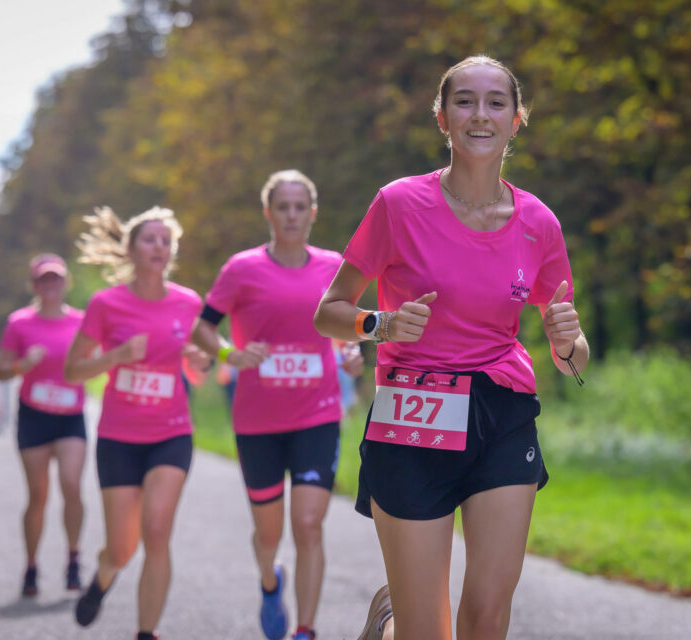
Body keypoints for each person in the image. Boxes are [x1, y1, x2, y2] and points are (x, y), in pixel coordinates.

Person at [314, 55, 589, 640]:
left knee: (488, 615)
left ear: (517, 119)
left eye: (496, 102)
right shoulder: (398, 204)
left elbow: (572, 352)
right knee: (426, 632)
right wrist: (381, 325)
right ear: (443, 118)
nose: (480, 114)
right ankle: (392, 623)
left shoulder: (538, 221)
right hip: (415, 413)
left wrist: (569, 342)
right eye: (464, 101)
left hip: (502, 412)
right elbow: (329, 312)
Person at [192, 170, 364, 640]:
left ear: (312, 214)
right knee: (268, 535)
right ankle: (271, 583)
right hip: (258, 422)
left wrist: (353, 353)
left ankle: (306, 629)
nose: (291, 215)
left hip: (317, 415)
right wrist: (230, 354)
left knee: (308, 524)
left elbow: (353, 326)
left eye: (299, 207)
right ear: (268, 213)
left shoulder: (334, 267)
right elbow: (202, 328)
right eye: (282, 207)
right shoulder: (241, 269)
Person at [65, 206, 209, 640]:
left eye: (166, 241)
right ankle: (103, 577)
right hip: (119, 438)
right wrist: (114, 357)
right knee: (123, 548)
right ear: (130, 249)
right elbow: (73, 369)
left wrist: (201, 358)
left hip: (171, 433)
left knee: (157, 530)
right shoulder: (106, 304)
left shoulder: (187, 302)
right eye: (150, 239)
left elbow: (202, 353)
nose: (159, 247)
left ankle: (146, 633)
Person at [0, 253, 87, 597]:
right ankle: (32, 566)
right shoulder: (19, 323)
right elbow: (2, 371)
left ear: (66, 283)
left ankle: (74, 558)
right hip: (34, 415)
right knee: (38, 496)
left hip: (70, 417)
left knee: (71, 485)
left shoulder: (81, 321)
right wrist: (23, 364)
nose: (50, 285)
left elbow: (97, 358)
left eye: (56, 279)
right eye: (44, 280)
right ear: (34, 285)